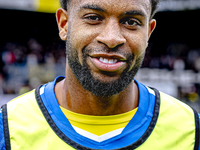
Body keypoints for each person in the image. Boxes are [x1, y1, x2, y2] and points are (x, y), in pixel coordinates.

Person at [0, 0, 199, 149]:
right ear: (64, 24)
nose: (111, 39)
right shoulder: (7, 128)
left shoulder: (191, 130)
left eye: (131, 21)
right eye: (93, 18)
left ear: (148, 32)